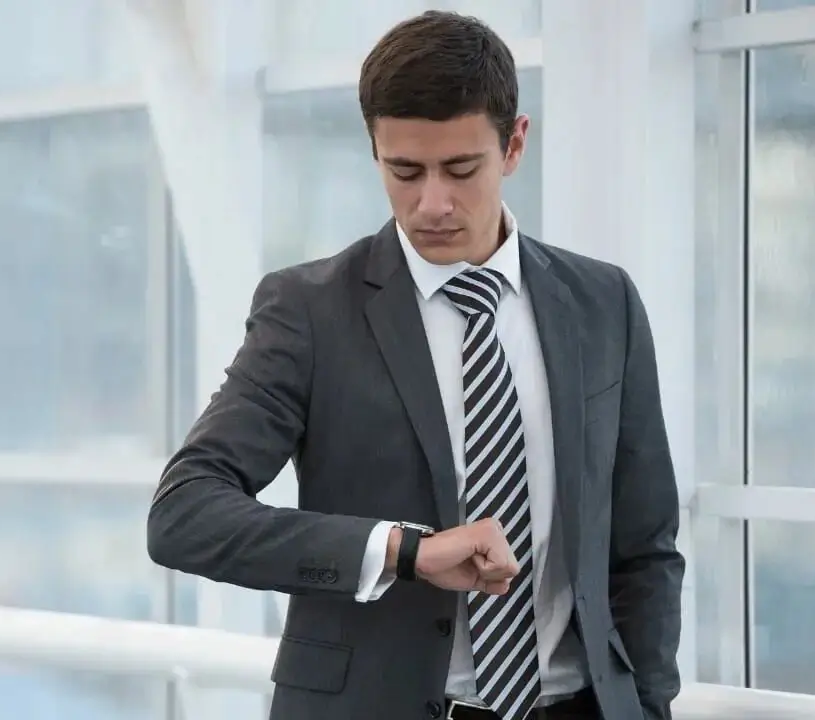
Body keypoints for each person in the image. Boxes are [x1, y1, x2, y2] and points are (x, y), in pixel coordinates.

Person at [146, 10, 684, 720]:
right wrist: (400, 551)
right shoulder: (309, 312)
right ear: (374, 151)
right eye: (404, 171)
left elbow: (644, 549)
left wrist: (649, 707)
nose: (432, 203)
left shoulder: (602, 301)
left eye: (461, 169)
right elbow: (183, 515)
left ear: (515, 145)